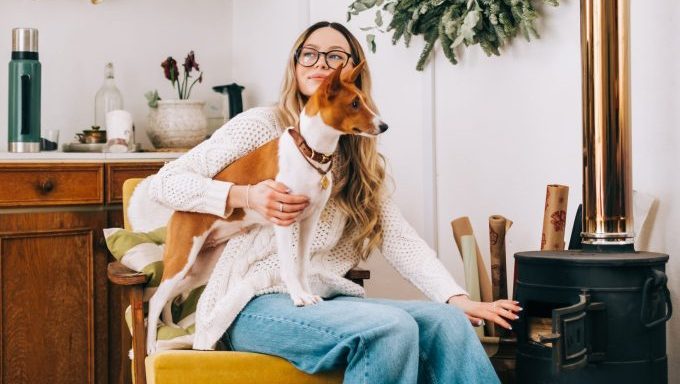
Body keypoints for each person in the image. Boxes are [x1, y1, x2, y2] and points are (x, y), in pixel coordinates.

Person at [148, 21, 519, 384]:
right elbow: (163, 183)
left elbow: (398, 237)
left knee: (448, 322)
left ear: (351, 77)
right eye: (309, 54)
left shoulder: (354, 153)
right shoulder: (260, 126)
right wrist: (245, 196)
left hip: (323, 299)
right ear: (294, 66)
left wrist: (455, 297)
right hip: (249, 303)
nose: (321, 65)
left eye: (335, 57)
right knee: (390, 329)